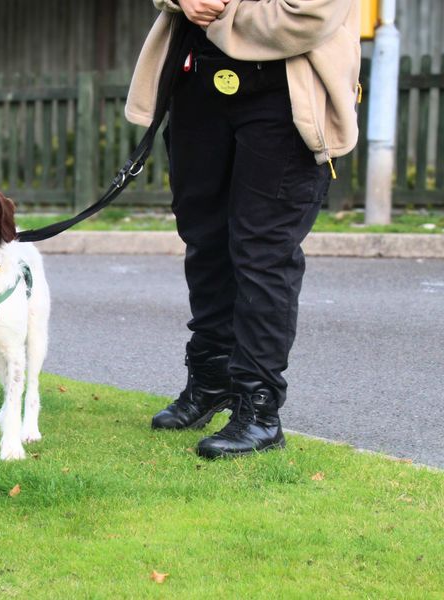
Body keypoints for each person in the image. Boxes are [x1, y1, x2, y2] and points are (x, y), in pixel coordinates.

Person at [125, 0, 361, 457]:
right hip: (197, 84)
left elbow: (308, 15)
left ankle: (259, 409)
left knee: (263, 252)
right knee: (205, 241)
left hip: (285, 94)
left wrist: (219, 17)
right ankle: (212, 379)